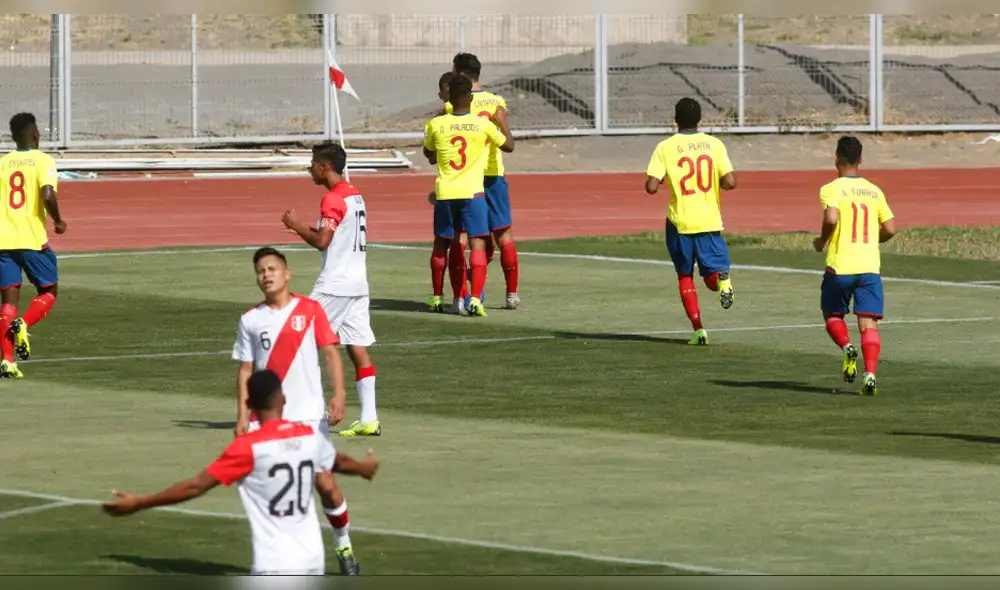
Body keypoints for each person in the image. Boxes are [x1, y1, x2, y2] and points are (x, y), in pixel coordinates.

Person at [102, 369, 380, 576]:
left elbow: (195, 486)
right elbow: (337, 461)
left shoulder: (248, 448)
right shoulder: (306, 436)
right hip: (313, 559)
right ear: (284, 400)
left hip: (274, 564)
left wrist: (140, 502)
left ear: (249, 406)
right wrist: (363, 468)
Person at [231, 246, 360, 574]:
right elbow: (246, 369)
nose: (266, 274)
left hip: (307, 418)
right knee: (273, 490)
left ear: (287, 273)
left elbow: (330, 353)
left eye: (272, 268)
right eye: (260, 270)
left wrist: (340, 394)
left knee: (325, 486)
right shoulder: (250, 320)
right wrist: (243, 416)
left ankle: (342, 542)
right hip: (267, 421)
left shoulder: (311, 310)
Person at [281, 143, 381, 437]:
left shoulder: (333, 199)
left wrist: (298, 226)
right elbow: (336, 236)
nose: (309, 169)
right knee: (357, 348)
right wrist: (307, 229)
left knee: (299, 344)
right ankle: (369, 418)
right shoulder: (355, 195)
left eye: (312, 164)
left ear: (324, 167)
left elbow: (323, 241)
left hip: (334, 286)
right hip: (357, 285)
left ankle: (301, 414)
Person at [645, 97, 737, 346]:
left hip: (680, 222)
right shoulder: (714, 144)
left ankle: (698, 330)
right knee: (711, 276)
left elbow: (651, 187)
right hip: (709, 220)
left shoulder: (665, 147)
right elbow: (730, 182)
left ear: (675, 120)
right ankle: (723, 279)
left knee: (685, 275)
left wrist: (660, 179)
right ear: (699, 120)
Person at [423, 74, 514, 317]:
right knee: (477, 242)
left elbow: (428, 154)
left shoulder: (436, 124)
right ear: (471, 97)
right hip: (473, 192)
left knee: (445, 244)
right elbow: (508, 145)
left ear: (448, 97)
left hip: (445, 192)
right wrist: (500, 121)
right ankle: (475, 299)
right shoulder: (482, 124)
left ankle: (441, 297)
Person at [813, 136, 896, 396]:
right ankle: (870, 374)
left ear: (836, 158)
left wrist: (822, 240)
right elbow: (891, 229)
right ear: (860, 160)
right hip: (869, 267)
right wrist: (875, 238)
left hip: (841, 266)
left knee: (832, 315)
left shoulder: (831, 188)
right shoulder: (874, 190)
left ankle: (847, 348)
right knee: (868, 323)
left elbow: (831, 217)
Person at [0, 112, 67, 378]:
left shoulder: (3, 163)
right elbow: (47, 194)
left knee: (7, 300)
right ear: (35, 134)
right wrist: (59, 221)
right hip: (31, 239)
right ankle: (24, 325)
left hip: (3, 242)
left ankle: (7, 361)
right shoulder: (43, 160)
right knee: (49, 290)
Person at [452, 53, 520, 311]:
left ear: (459, 74)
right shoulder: (495, 101)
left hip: (466, 176)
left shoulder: (455, 103)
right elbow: (506, 139)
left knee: (464, 236)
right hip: (493, 174)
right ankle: (511, 294)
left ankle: (464, 294)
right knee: (503, 233)